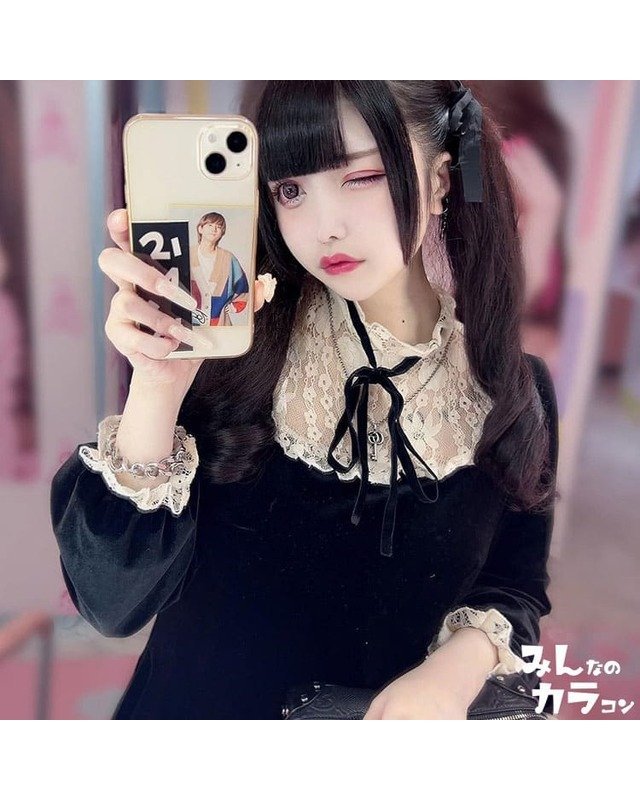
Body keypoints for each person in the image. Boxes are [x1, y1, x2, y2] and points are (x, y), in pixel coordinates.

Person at [49, 81, 559, 720]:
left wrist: (455, 671)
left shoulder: (513, 391)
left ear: (439, 181)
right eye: (290, 190)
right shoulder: (231, 359)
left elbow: (514, 586)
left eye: (362, 177)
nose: (325, 228)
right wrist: (156, 384)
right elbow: (111, 604)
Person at [189, 212, 250, 326]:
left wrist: (234, 307)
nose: (214, 229)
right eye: (210, 225)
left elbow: (242, 286)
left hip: (220, 324)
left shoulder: (228, 258)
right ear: (200, 228)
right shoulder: (187, 255)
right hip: (190, 324)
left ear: (222, 232)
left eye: (218, 227)